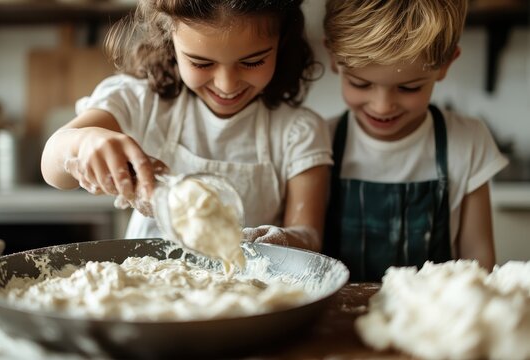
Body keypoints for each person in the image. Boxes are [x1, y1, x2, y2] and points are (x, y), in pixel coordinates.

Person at [41, 0, 332, 251]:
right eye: (202, 64)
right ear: (170, 42)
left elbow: (309, 236)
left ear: (281, 44)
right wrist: (84, 142)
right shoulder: (139, 102)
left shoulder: (299, 132)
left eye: (253, 62)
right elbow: (53, 167)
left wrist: (276, 241)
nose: (226, 85)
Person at [322, 0, 509, 281]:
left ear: (445, 65)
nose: (382, 106)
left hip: (433, 319)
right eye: (360, 84)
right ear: (333, 59)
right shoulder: (319, 141)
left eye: (409, 87)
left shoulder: (468, 142)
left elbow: (479, 269)